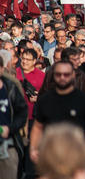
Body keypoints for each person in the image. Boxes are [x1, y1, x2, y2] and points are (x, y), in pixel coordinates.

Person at [30, 60, 85, 165]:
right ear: (54, 75)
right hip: (51, 154)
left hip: (76, 154)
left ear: (73, 75)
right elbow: (37, 127)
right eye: (59, 74)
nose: (62, 77)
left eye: (66, 74)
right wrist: (33, 148)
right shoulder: (46, 100)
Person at [16, 48, 46, 179]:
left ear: (35, 61)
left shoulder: (42, 76)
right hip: (17, 117)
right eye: (24, 59)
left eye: (28, 60)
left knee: (32, 147)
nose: (25, 62)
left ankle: (29, 174)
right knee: (17, 147)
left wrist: (39, 97)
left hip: (33, 117)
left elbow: (47, 96)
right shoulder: (14, 73)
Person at [0, 54, 28, 179]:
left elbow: (22, 113)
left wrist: (9, 129)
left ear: (2, 68)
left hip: (8, 144)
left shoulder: (11, 87)